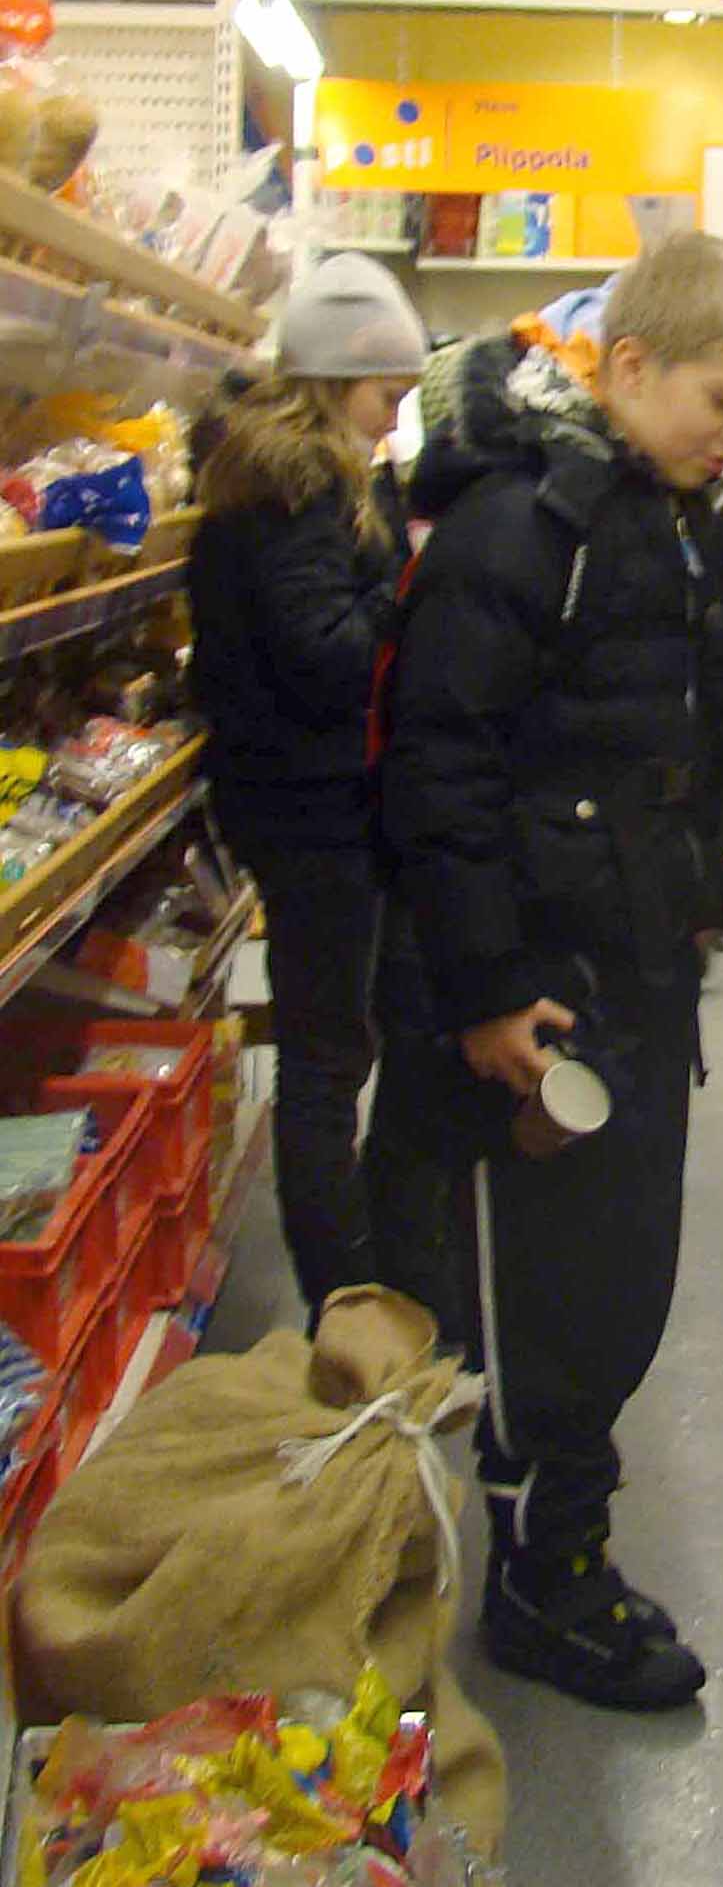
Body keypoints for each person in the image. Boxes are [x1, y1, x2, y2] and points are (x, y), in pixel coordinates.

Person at [381, 232, 723, 1712]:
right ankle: (534, 1577)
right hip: (537, 996)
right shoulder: (518, 530)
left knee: (618, 1283)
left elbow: (705, 736)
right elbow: (438, 768)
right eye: (721, 399)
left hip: (639, 970)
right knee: (542, 1295)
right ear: (626, 367)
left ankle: (567, 1544)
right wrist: (488, 988)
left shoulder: (682, 524)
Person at [188, 252, 429, 1322]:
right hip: (309, 810)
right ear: (334, 381)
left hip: (302, 802)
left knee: (333, 1047)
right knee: (326, 1060)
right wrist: (412, 598)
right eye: (386, 395)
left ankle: (351, 1273)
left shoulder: (305, 478)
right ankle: (341, 1298)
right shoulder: (299, 488)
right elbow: (324, 654)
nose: (394, 419)